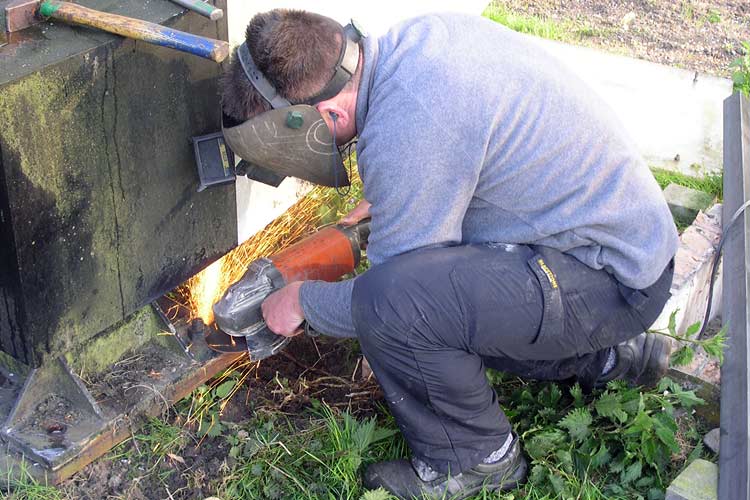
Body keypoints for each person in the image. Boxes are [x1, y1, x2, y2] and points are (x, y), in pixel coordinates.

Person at [220, 9, 678, 499]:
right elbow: (460, 142)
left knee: (396, 303)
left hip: (612, 282)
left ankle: (478, 458)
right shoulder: (415, 44)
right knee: (437, 297)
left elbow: (400, 296)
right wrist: (401, 195)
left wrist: (303, 302)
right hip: (626, 254)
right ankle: (608, 358)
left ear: (328, 114)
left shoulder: (411, 126)